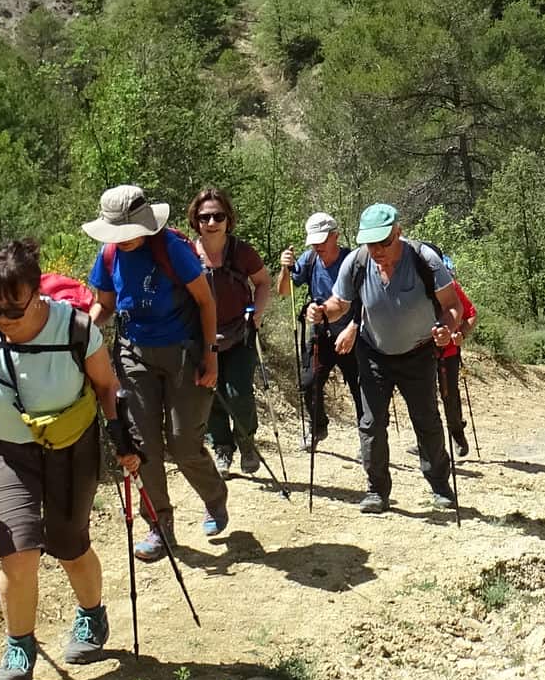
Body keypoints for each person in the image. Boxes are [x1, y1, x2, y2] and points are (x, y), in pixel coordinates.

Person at [0, 240, 139, 680]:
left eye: (14, 308)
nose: (4, 319)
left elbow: (107, 387)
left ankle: (91, 617)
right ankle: (19, 646)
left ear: (37, 293)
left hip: (72, 446)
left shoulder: (76, 329)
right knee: (19, 549)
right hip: (6, 450)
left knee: (69, 544)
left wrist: (122, 441)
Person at [83, 184, 226, 558]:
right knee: (142, 446)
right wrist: (78, 334)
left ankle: (214, 496)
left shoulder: (171, 248)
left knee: (182, 443)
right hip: (133, 354)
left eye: (127, 231)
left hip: (183, 353)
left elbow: (205, 301)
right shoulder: (110, 253)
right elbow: (104, 306)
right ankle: (159, 526)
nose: (123, 239)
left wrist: (210, 356)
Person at [313, 204, 465, 514]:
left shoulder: (425, 259)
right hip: (373, 354)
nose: (376, 250)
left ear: (399, 232)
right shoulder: (357, 263)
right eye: (370, 243)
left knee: (427, 421)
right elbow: (340, 303)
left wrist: (447, 330)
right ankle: (376, 491)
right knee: (371, 424)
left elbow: (452, 306)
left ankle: (440, 485)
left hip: (419, 352)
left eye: (383, 242)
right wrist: (322, 311)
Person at [187, 189, 273, 478]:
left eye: (218, 216)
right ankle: (222, 446)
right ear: (195, 220)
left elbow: (262, 282)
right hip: (202, 336)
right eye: (204, 217)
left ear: (228, 219)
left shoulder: (241, 251)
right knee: (210, 394)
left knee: (239, 394)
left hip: (239, 333)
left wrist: (257, 315)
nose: (211, 222)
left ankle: (246, 442)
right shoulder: (187, 253)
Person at [276, 212, 353, 450]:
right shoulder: (309, 259)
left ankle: (368, 437)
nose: (317, 245)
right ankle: (318, 427)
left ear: (335, 236)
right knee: (308, 383)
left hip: (353, 334)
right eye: (314, 241)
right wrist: (285, 268)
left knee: (361, 388)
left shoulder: (352, 260)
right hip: (321, 334)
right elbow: (284, 290)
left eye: (322, 240)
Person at [433, 255, 481, 457]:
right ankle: (429, 441)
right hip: (420, 351)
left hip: (448, 351)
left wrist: (461, 333)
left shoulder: (451, 286)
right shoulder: (414, 283)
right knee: (424, 398)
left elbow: (471, 313)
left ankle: (457, 434)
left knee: (448, 395)